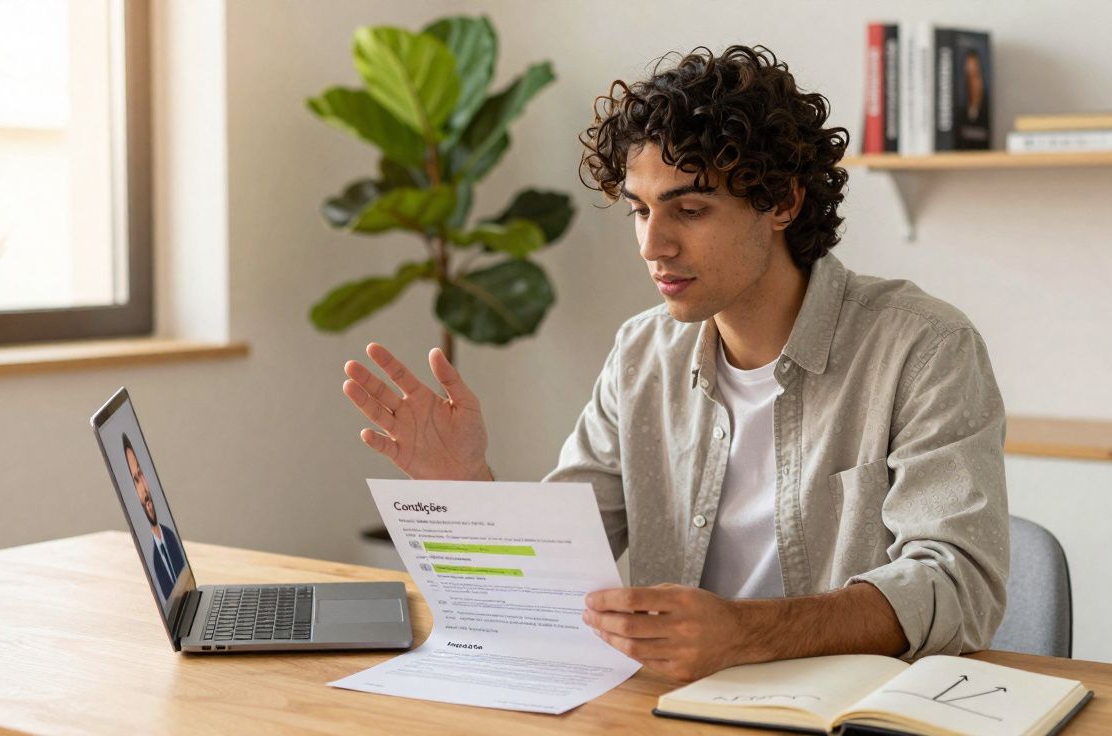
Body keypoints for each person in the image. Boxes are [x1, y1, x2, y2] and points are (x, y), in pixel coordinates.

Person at [341, 45, 1007, 683]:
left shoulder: (923, 347)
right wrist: (468, 487)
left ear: (782, 203)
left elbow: (958, 585)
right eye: (639, 211)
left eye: (689, 209)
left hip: (844, 711)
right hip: (668, 706)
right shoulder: (642, 353)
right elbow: (553, 579)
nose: (652, 246)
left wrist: (745, 632)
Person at [124, 433, 185, 597]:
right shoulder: (154, 561)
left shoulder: (171, 538)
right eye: (136, 481)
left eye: (141, 474)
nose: (143, 488)